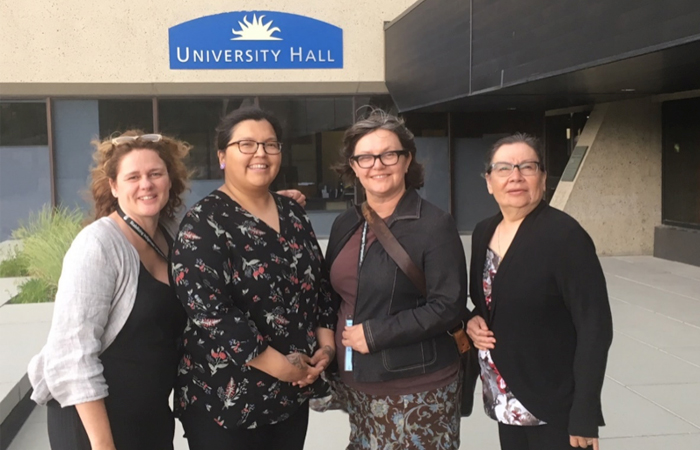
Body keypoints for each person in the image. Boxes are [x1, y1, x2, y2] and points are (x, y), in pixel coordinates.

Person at [171, 106, 337, 450]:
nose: (260, 153)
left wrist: (326, 347)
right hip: (226, 400)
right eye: (246, 144)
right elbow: (210, 312)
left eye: (270, 144)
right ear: (222, 156)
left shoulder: (293, 213)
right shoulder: (203, 223)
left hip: (292, 393)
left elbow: (319, 285)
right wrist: (283, 367)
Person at [28, 131, 191, 450]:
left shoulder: (172, 234)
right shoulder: (98, 245)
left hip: (150, 416)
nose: (146, 184)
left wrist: (271, 201)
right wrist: (103, 445)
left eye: (155, 174)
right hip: (91, 423)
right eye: (133, 176)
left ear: (169, 181)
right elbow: (71, 354)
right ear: (114, 186)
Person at [325, 109, 468, 449]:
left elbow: (448, 306)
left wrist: (375, 334)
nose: (377, 164)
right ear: (354, 167)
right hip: (357, 385)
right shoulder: (345, 224)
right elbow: (332, 294)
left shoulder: (434, 225)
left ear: (407, 161)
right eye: (365, 157)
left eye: (389, 154)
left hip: (416, 387)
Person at [466, 133, 613, 450]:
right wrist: (473, 321)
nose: (515, 176)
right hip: (505, 398)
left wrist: (585, 413)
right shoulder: (483, 232)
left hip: (554, 405)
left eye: (527, 167)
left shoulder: (565, 237)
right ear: (489, 181)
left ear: (543, 179)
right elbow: (489, 303)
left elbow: (595, 326)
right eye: (504, 168)